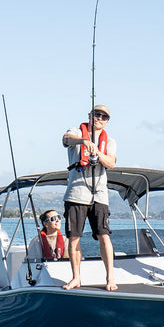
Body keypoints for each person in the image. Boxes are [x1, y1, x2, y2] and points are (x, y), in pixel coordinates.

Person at [61, 104, 118, 291]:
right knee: (74, 237)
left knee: (104, 236)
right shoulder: (76, 131)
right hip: (76, 193)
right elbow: (66, 139)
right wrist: (84, 142)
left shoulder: (110, 141)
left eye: (104, 117)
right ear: (90, 115)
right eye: (96, 115)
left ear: (107, 121)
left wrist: (98, 154)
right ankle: (76, 277)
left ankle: (110, 278)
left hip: (99, 195)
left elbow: (111, 162)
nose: (99, 119)